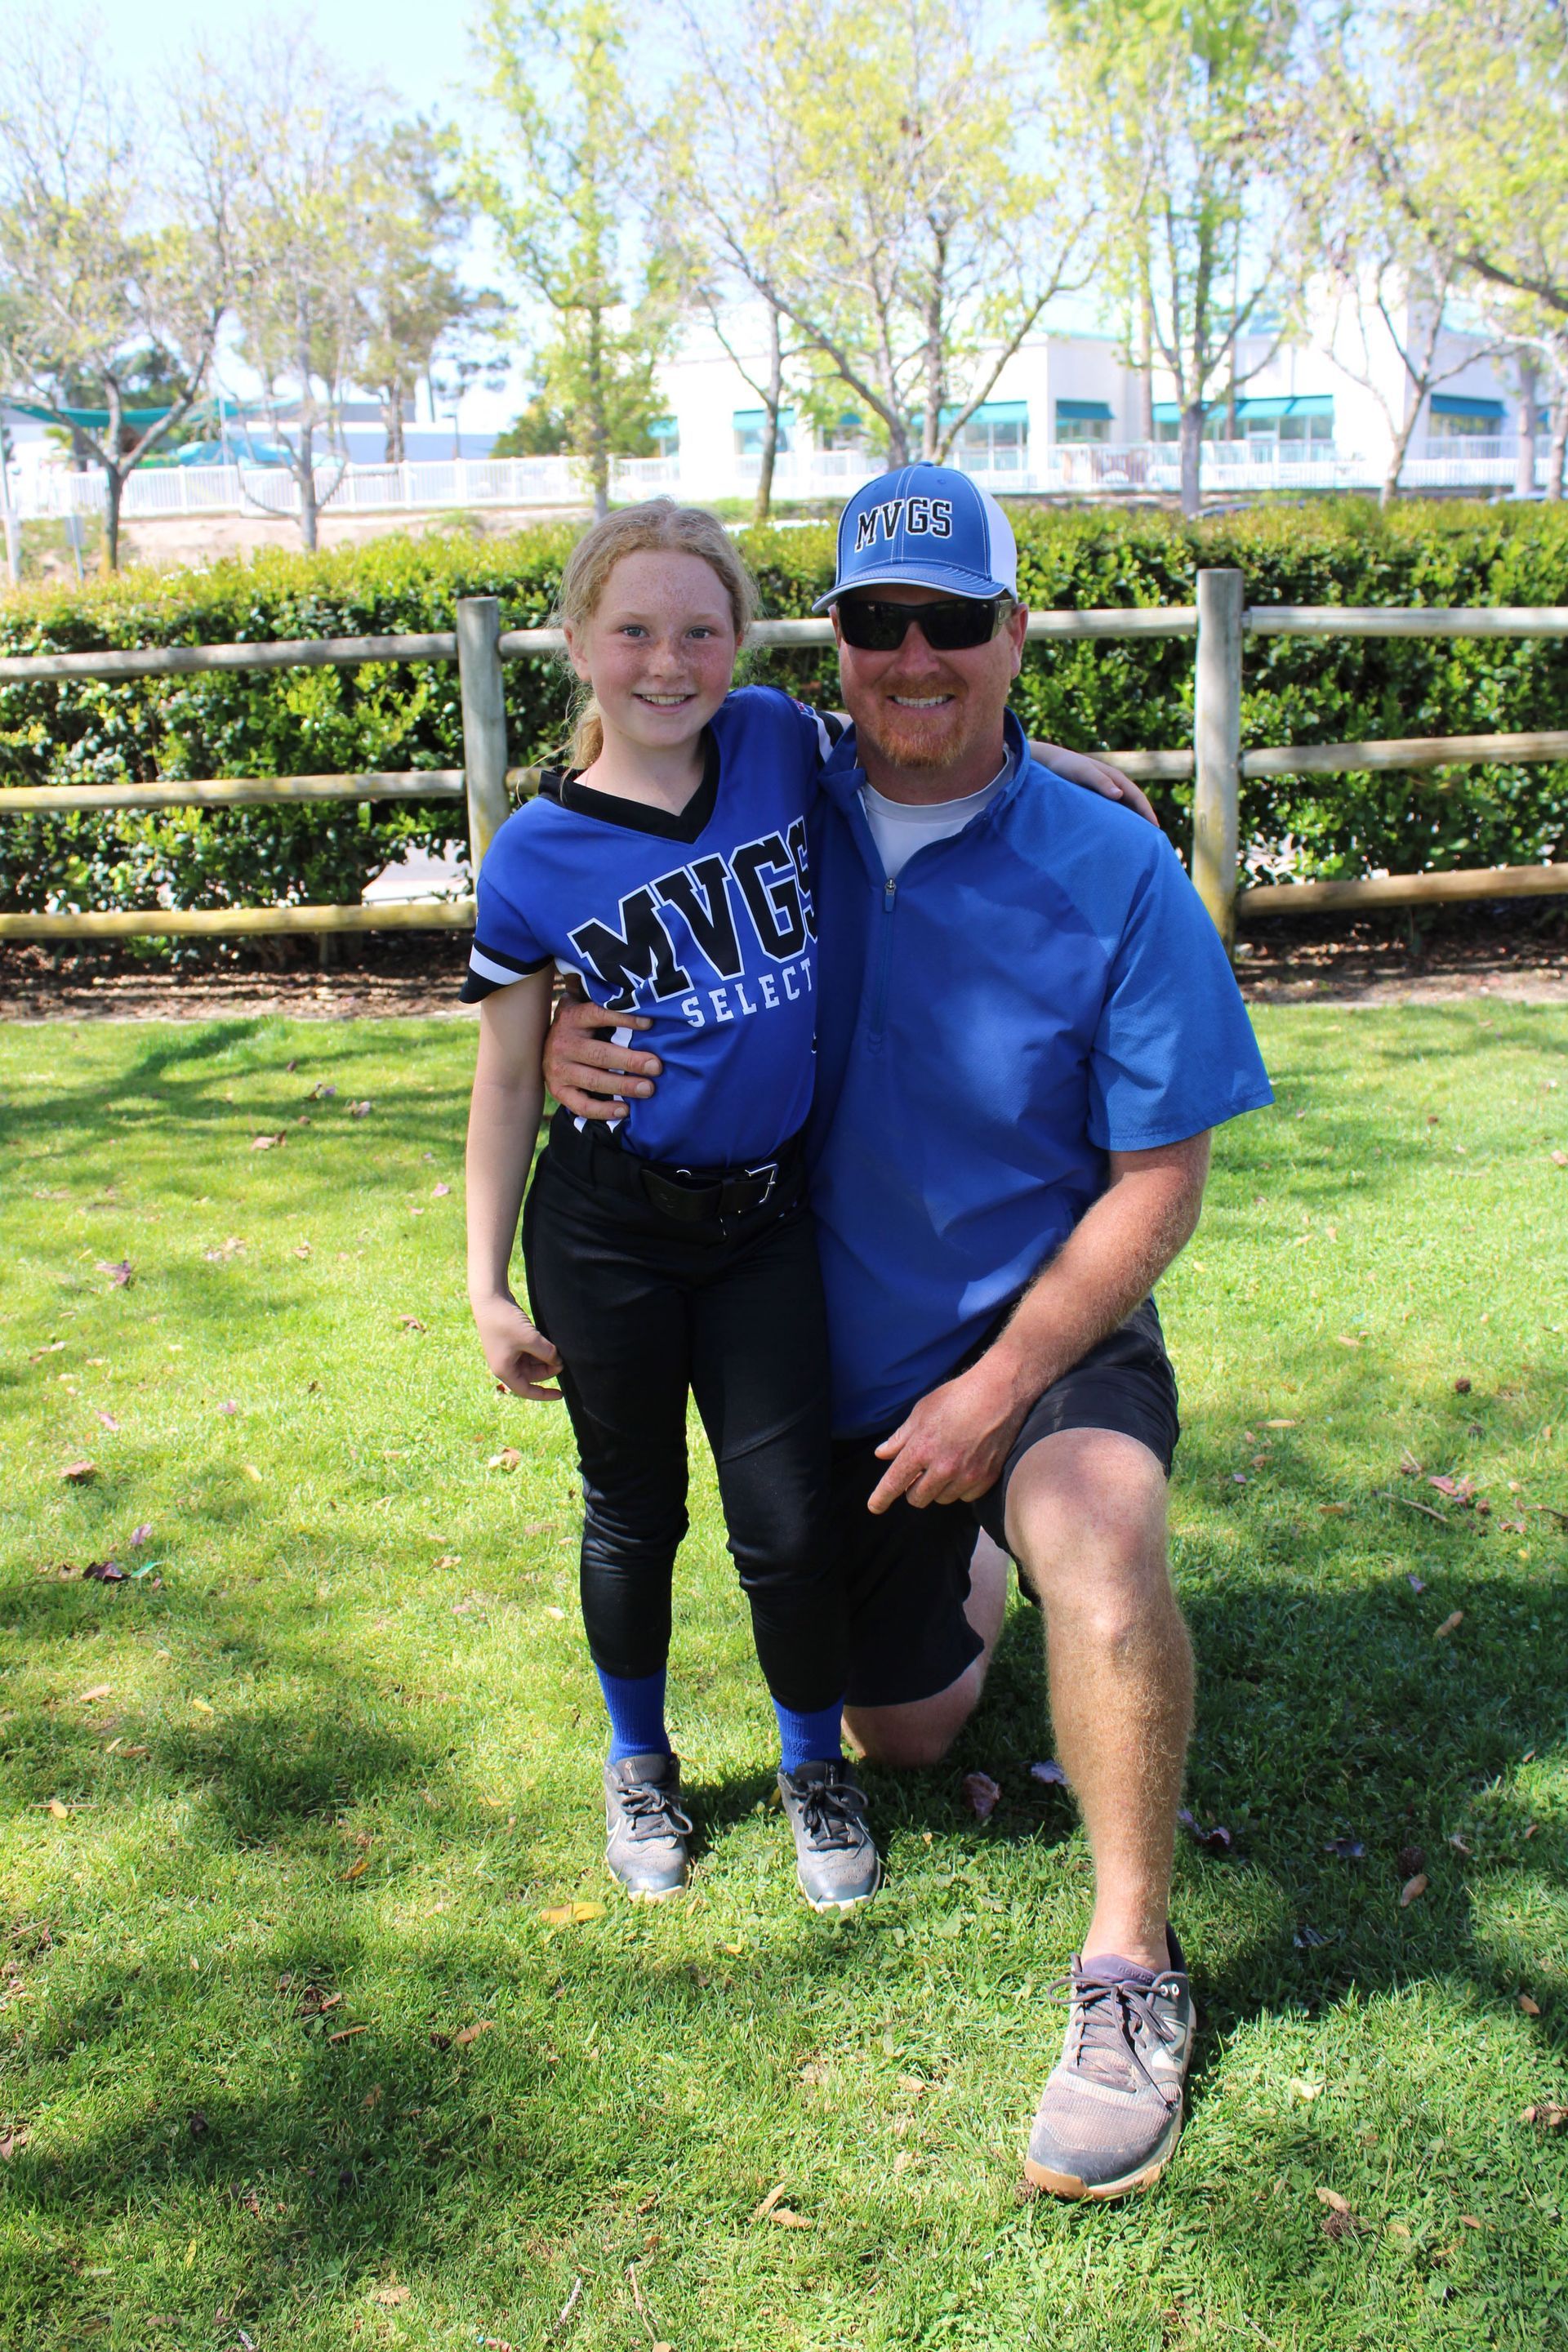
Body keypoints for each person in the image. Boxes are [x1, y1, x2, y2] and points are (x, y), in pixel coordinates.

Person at [543, 464, 1274, 2203]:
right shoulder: (767, 793)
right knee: (912, 1737)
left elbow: (1160, 1186)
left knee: (1097, 1528)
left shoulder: (1113, 871)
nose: (919, 658)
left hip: (1039, 1343)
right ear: (839, 648)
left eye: (959, 623)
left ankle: (1126, 1972)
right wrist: (563, 1032)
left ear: (1018, 635)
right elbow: (586, 855)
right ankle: (973, 1578)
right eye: (882, 624)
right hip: (831, 1367)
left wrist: (1004, 1389)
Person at [462, 500, 880, 1914]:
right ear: (579, 642)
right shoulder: (531, 852)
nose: (667, 660)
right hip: (608, 1226)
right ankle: (638, 1764)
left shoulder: (771, 738)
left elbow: (912, 745)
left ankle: (814, 1767)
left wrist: (1052, 756)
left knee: (787, 1516)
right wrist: (483, 1284)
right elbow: (511, 1075)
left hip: (763, 1221)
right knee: (633, 1510)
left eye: (699, 629)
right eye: (633, 628)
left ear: (739, 644)